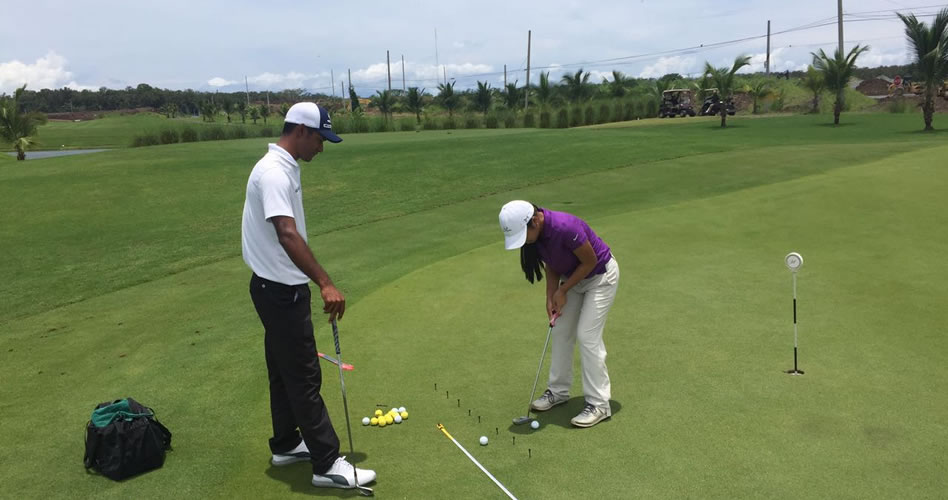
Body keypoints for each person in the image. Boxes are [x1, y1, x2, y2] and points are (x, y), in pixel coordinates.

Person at [241, 102, 376, 489]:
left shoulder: (283, 166)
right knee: (303, 375)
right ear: (300, 131)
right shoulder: (273, 174)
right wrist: (325, 282)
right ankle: (327, 464)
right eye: (320, 138)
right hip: (281, 291)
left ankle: (286, 444)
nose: (322, 146)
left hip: (272, 287)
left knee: (284, 372)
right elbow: (286, 232)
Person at [498, 200, 620, 428]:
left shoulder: (565, 227)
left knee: (587, 336)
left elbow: (589, 261)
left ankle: (600, 405)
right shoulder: (538, 235)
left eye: (523, 234)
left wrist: (563, 290)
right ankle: (558, 391)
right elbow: (552, 264)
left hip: (600, 278)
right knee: (561, 330)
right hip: (573, 280)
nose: (523, 241)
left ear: (534, 221)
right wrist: (550, 295)